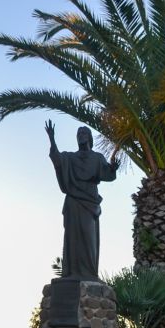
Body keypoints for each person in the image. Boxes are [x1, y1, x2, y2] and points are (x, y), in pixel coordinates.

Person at [45, 120, 119, 280]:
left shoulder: (98, 158)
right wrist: (52, 140)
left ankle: (89, 273)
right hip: (73, 202)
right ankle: (72, 273)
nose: (81, 136)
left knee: (88, 236)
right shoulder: (70, 158)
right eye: (78, 134)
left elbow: (107, 174)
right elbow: (57, 159)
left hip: (89, 203)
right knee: (72, 238)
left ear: (90, 138)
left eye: (84, 134)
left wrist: (113, 169)